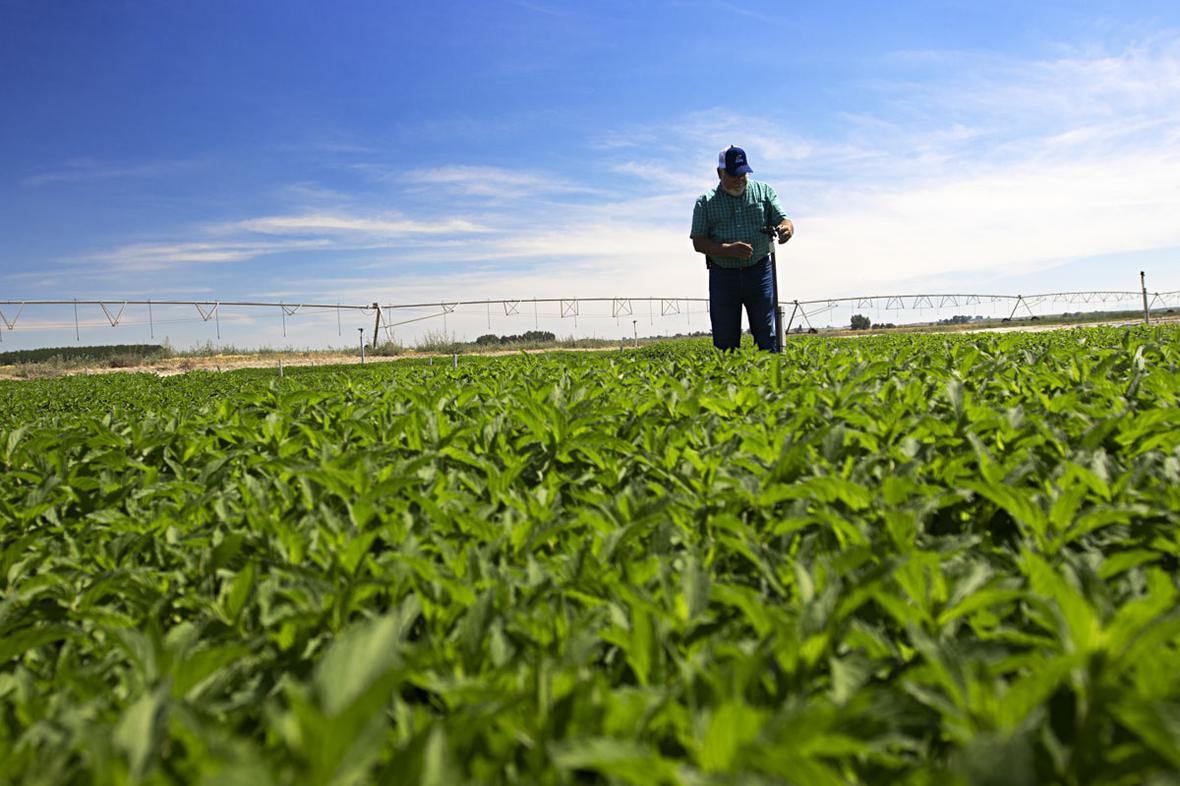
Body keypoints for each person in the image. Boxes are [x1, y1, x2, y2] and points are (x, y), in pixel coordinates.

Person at [690, 145, 794, 352]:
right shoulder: (705, 202)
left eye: (743, 174)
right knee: (725, 338)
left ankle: (769, 378)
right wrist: (728, 249)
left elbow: (785, 219)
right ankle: (728, 381)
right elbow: (698, 242)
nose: (739, 179)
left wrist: (786, 229)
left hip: (759, 271)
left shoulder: (764, 192)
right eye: (733, 175)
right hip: (723, 275)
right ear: (720, 173)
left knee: (767, 334)